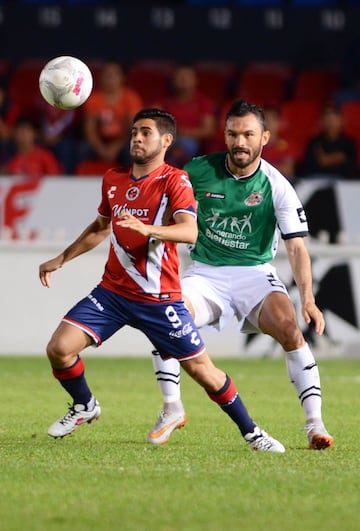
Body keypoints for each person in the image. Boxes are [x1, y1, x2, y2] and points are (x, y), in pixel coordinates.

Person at [38, 108, 284, 453]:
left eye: (146, 133)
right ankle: (85, 405)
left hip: (159, 299)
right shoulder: (113, 178)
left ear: (166, 141)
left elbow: (189, 230)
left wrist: (149, 229)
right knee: (59, 349)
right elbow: (99, 228)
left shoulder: (175, 181)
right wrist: (61, 259)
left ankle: (253, 432)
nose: (137, 138)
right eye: (134, 132)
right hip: (112, 293)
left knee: (203, 372)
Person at [148, 100, 334, 451]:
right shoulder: (197, 171)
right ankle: (172, 407)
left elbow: (296, 248)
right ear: (225, 135)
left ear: (264, 136)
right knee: (165, 317)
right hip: (205, 273)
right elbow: (169, 216)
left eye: (248, 134)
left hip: (254, 273)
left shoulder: (276, 185)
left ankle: (315, 424)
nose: (240, 142)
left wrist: (308, 299)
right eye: (233, 134)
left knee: (290, 329)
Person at [77, 61, 143, 169]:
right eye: (107, 74)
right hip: (100, 140)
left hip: (123, 141)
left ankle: (135, 182)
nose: (110, 78)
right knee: (82, 149)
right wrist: (101, 149)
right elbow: (90, 129)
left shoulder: (131, 98)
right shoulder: (93, 99)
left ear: (123, 77)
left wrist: (116, 147)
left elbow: (133, 129)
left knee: (134, 150)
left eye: (114, 74)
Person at [153, 63, 217, 167]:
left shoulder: (204, 102)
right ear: (172, 80)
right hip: (168, 138)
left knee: (187, 145)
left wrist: (184, 132)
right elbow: (152, 122)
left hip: (191, 140)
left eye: (187, 76)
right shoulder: (163, 102)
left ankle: (173, 174)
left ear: (196, 80)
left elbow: (208, 130)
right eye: (179, 76)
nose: (183, 80)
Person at [299, 103, 357, 180]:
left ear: (341, 120)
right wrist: (337, 158)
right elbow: (308, 168)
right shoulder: (314, 142)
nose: (330, 121)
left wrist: (326, 160)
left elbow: (350, 169)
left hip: (343, 184)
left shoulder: (349, 143)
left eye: (333, 117)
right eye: (327, 117)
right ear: (321, 121)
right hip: (316, 181)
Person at [262, 106, 296, 182]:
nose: (268, 123)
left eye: (272, 120)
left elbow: (288, 170)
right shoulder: (254, 145)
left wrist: (264, 169)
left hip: (281, 182)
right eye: (265, 120)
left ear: (278, 122)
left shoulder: (286, 145)